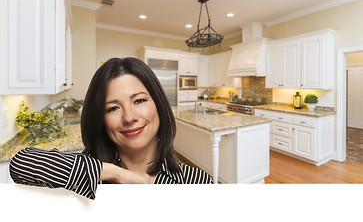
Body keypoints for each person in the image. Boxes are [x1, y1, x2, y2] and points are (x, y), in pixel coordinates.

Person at [9, 57, 213, 199]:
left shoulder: (197, 182)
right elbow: (21, 164)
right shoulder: (88, 173)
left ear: (158, 106)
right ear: (101, 119)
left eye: (139, 100)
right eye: (113, 108)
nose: (129, 117)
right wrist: (116, 174)